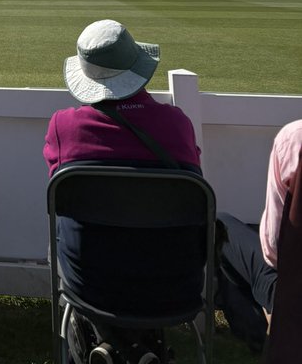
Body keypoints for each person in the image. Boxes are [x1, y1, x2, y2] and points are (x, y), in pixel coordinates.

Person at [44, 20, 203, 362]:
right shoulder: (177, 124)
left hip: (91, 284)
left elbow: (59, 198)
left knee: (64, 239)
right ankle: (139, 349)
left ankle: (111, 347)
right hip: (175, 284)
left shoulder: (64, 126)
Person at [216, 120, 302, 351]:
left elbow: (273, 250)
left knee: (222, 225)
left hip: (293, 295)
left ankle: (262, 335)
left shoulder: (294, 138)